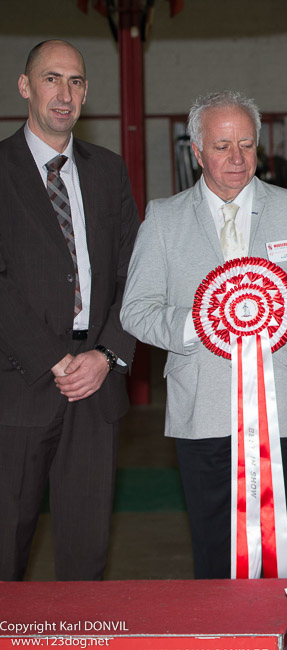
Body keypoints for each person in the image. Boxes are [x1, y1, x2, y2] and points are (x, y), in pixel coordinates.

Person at [120, 90, 287, 579]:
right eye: (221, 146)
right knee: (214, 553)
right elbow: (136, 310)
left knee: (283, 544)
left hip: (283, 411)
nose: (236, 159)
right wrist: (199, 321)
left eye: (246, 144)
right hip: (203, 410)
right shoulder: (163, 218)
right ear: (196, 152)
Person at [0, 40, 139, 581]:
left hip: (97, 380)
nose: (65, 93)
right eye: (52, 78)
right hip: (21, 381)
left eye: (76, 81)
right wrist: (51, 356)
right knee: (7, 545)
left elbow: (134, 274)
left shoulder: (107, 170)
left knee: (86, 551)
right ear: (25, 86)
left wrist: (106, 352)